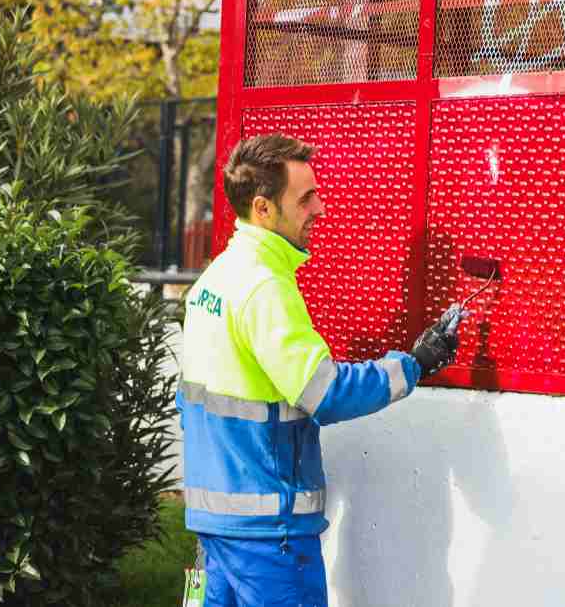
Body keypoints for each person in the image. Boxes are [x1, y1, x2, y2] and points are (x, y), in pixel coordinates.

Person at [177, 133, 462, 607]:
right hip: (270, 541)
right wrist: (413, 366)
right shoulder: (265, 288)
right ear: (264, 208)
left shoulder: (216, 277)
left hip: (214, 530)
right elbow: (325, 394)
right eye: (306, 197)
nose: (321, 208)